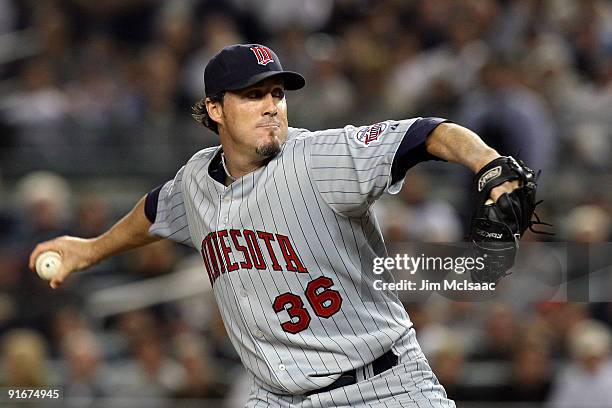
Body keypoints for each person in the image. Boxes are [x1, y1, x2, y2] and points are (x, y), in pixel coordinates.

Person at [30, 44, 521, 407]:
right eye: (253, 95)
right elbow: (156, 211)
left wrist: (488, 163)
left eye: (277, 94)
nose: (271, 105)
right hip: (277, 396)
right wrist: (89, 250)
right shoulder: (198, 178)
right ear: (215, 110)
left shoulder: (317, 157)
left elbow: (427, 133)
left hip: (383, 386)